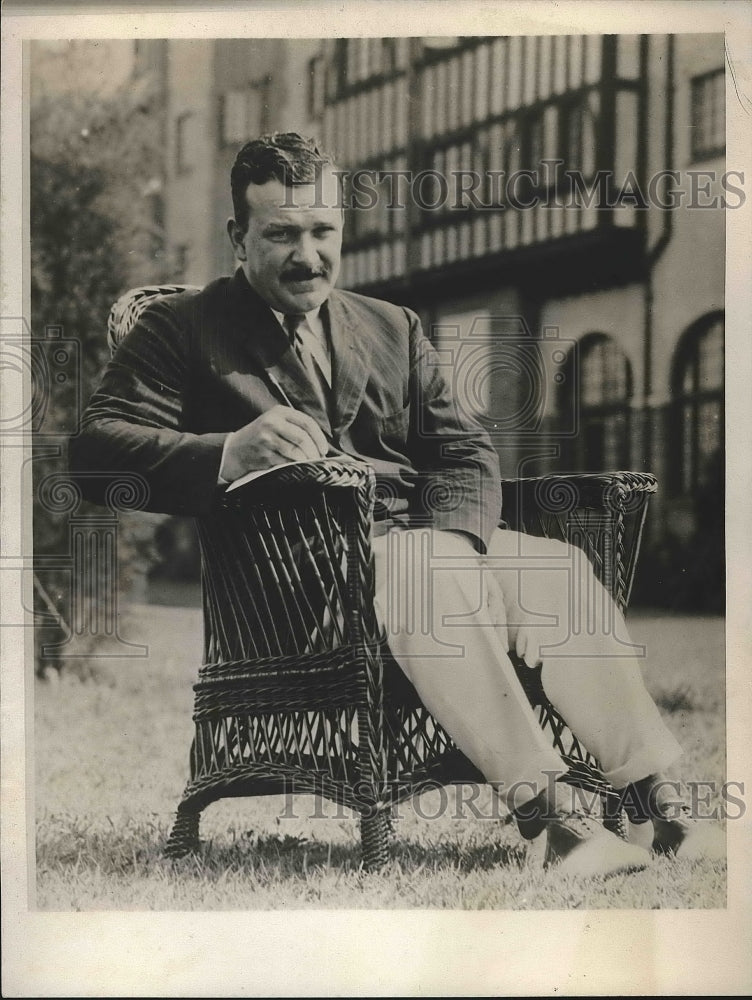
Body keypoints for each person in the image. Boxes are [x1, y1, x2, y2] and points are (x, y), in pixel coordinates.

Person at [69, 132, 724, 877]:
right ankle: (550, 824)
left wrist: (458, 539)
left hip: (425, 554)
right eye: (281, 234)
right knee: (427, 572)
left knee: (558, 569)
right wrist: (225, 451)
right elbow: (96, 452)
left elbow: (466, 452)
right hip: (294, 589)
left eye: (323, 231)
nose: (307, 255)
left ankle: (656, 809)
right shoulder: (181, 331)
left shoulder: (391, 327)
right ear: (237, 238)